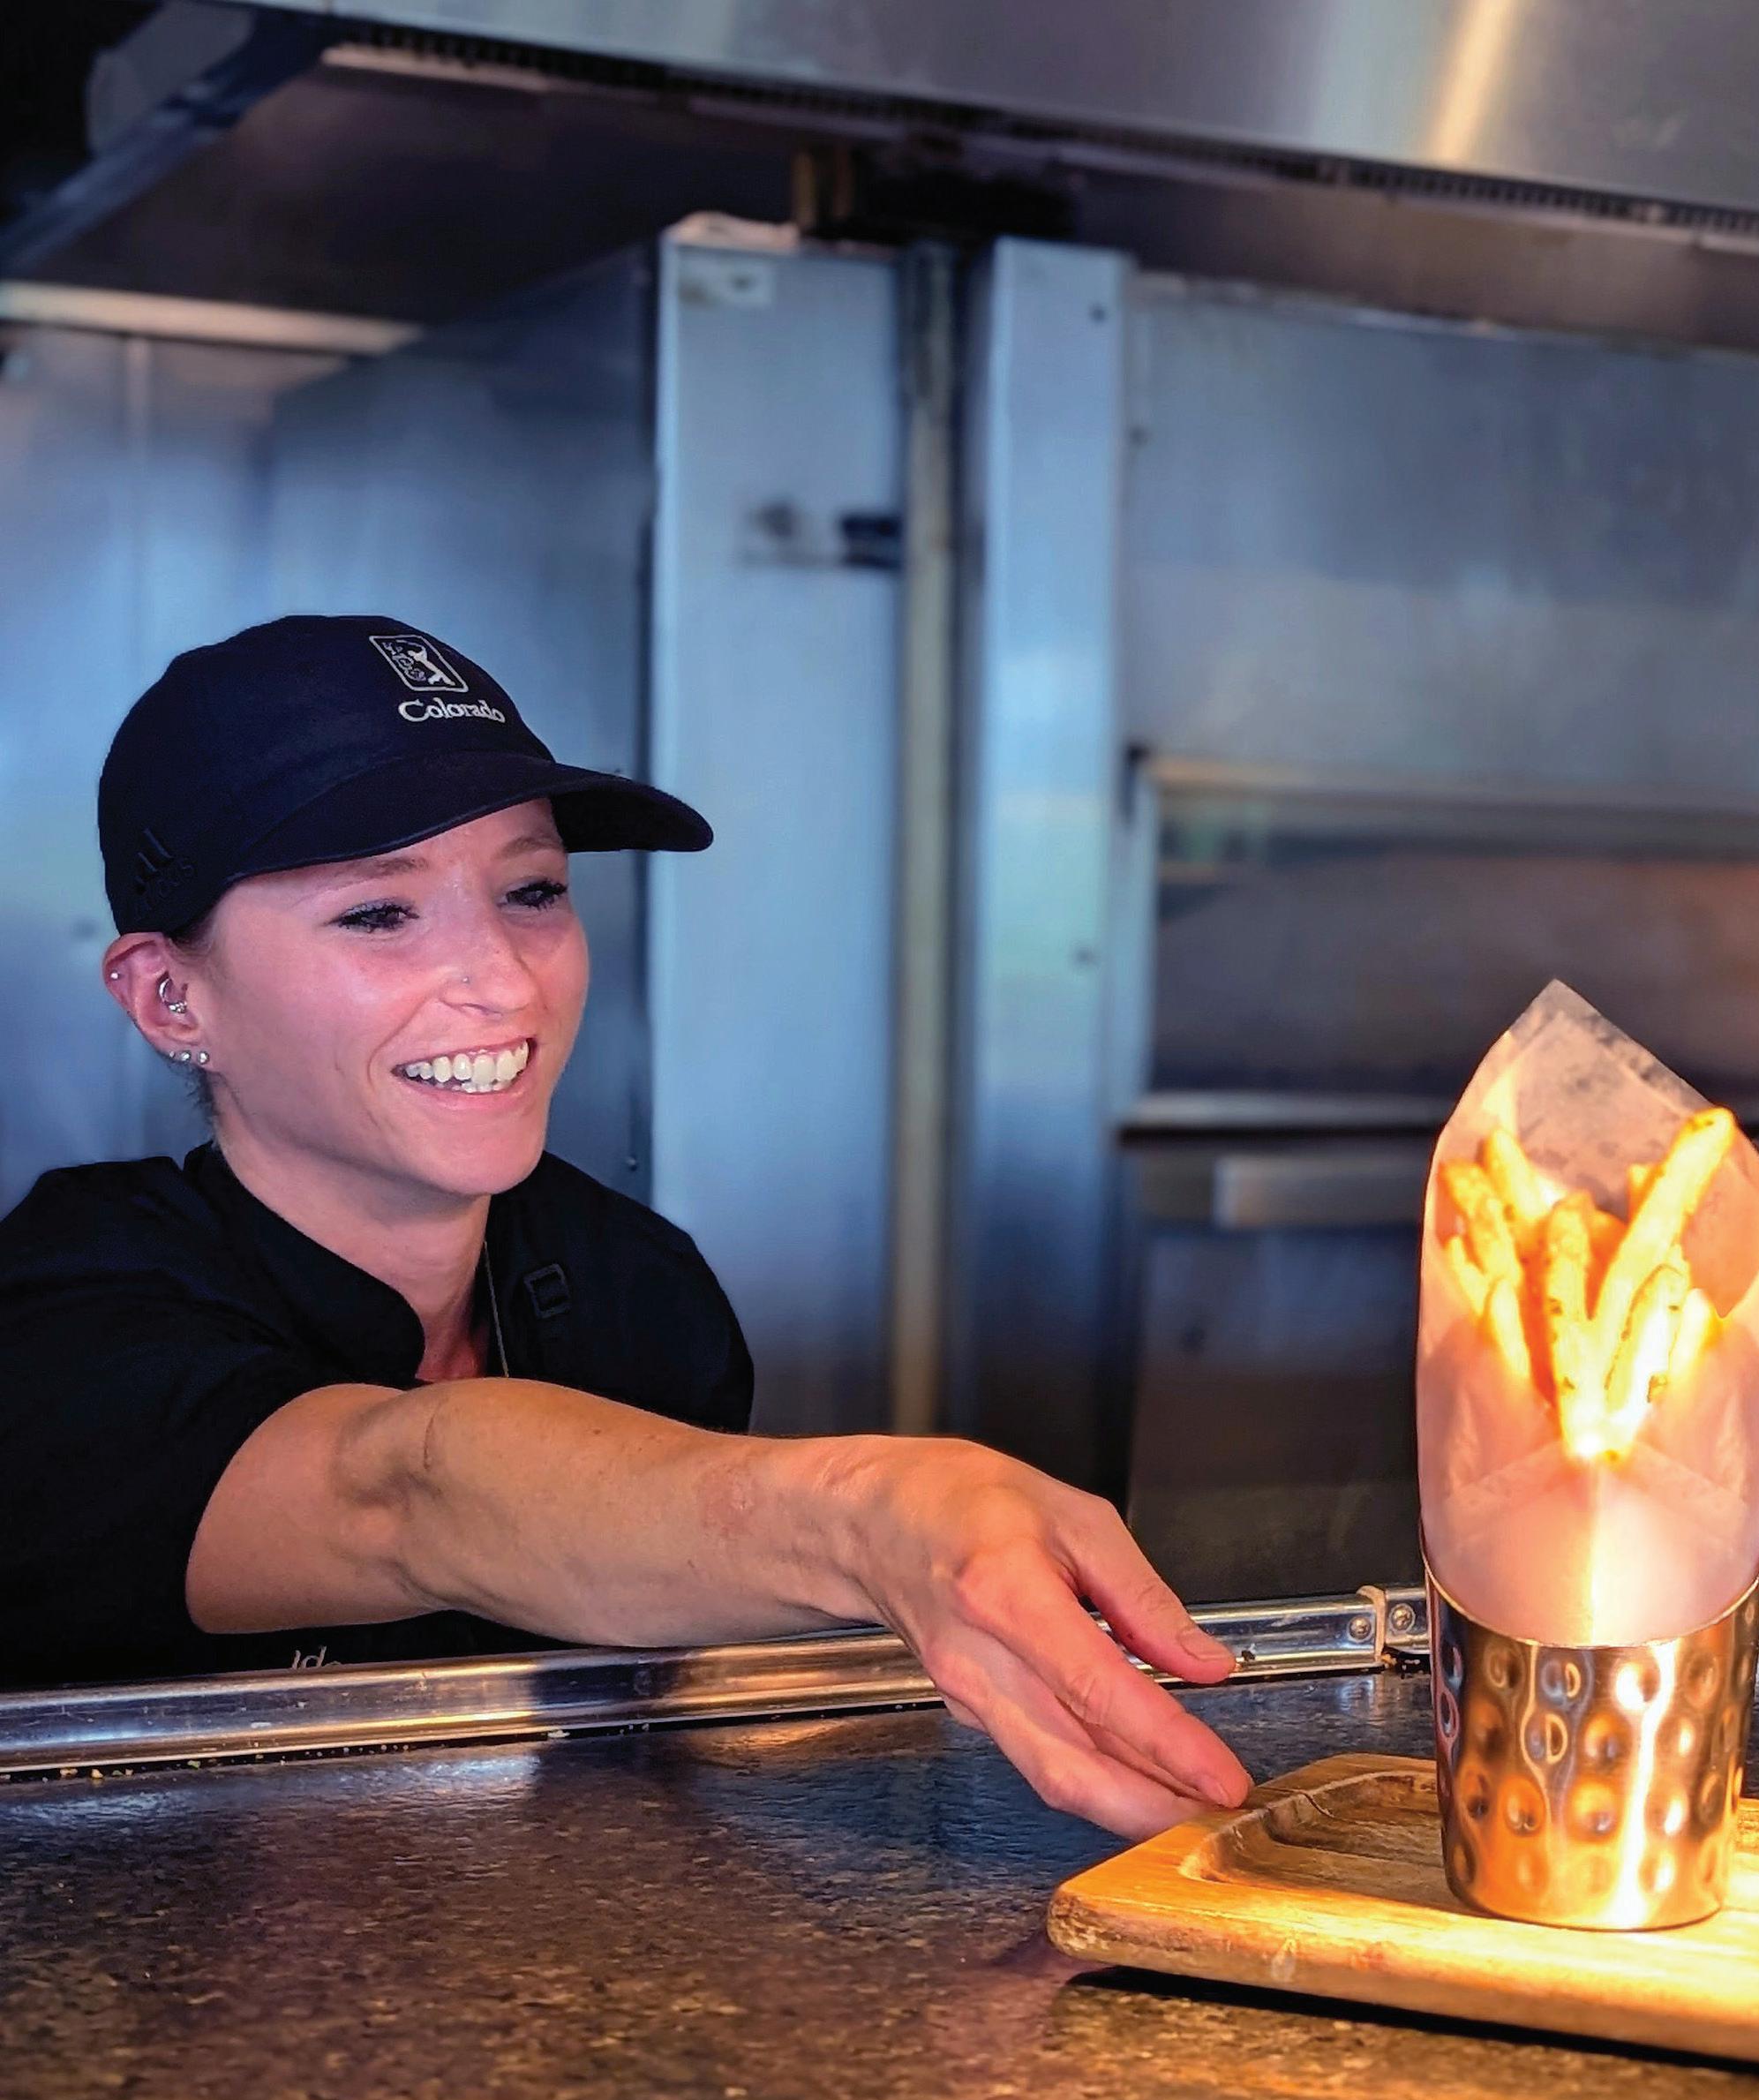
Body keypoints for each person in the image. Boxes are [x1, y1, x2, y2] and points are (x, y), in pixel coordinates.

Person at [0, 616, 1249, 1840]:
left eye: (532, 890)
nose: (505, 977)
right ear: (171, 996)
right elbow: (400, 1491)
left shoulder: (634, 1289)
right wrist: (865, 1516)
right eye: (378, 913)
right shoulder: (64, 1314)